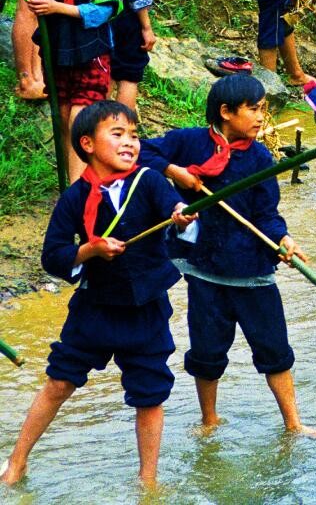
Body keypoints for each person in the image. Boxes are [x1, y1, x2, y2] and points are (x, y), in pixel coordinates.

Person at [1, 101, 190, 487]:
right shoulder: (74, 197)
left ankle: (148, 481)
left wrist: (182, 216)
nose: (130, 143)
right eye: (117, 134)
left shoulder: (150, 181)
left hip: (147, 309)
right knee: (59, 381)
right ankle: (16, 463)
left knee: (150, 394)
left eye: (134, 136)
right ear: (86, 143)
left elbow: (176, 211)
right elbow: (53, 256)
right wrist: (88, 250)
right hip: (95, 309)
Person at [139, 75, 316, 436]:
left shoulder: (259, 158)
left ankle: (294, 423)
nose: (260, 118)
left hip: (252, 272)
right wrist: (176, 173)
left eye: (263, 110)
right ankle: (209, 419)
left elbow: (267, 213)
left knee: (274, 348)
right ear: (225, 112)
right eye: (253, 109)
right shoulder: (188, 142)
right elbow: (142, 150)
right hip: (205, 271)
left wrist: (283, 240)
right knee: (206, 353)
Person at [29, 0, 122, 181]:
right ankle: (74, 187)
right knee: (64, 117)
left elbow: (103, 11)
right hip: (57, 51)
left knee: (83, 120)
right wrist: (38, 0)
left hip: (89, 52)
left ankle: (81, 190)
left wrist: (58, 7)